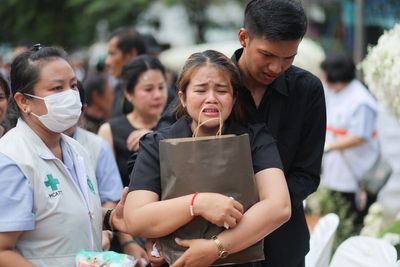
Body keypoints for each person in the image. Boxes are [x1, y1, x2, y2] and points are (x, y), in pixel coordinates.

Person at [156, 1, 326, 266]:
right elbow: (161, 152)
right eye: (267, 55)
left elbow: (307, 174)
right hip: (202, 235)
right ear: (244, 37)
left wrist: (255, 210)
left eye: (288, 58)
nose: (276, 67)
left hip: (281, 242)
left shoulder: (308, 91)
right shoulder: (210, 84)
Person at [124, 50, 291, 267]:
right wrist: (198, 203)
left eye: (221, 90)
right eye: (201, 90)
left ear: (234, 97)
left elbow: (279, 206)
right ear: (183, 97)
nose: (211, 98)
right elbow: (135, 218)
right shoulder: (157, 144)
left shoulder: (254, 138)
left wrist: (217, 247)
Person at [0, 45, 127, 266]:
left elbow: (63, 215)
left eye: (73, 86)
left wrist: (108, 218)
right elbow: (3, 250)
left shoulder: (76, 149)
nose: (70, 96)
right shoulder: (12, 159)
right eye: (57, 89)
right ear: (23, 101)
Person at [98, 54, 168, 260]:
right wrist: (127, 241)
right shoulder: (110, 130)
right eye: (148, 89)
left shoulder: (175, 127)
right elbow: (109, 192)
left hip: (168, 228)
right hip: (127, 232)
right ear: (128, 93)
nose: (157, 95)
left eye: (161, 87)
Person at [321, 53, 379, 228]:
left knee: (352, 221)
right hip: (338, 172)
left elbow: (360, 135)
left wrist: (329, 146)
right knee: (338, 215)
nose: (322, 78)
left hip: (356, 176)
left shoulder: (361, 101)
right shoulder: (337, 92)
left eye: (324, 73)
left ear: (335, 74)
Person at [105, 27, 146, 118]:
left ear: (131, 54)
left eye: (112, 54)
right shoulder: (120, 87)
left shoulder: (156, 95)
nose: (107, 62)